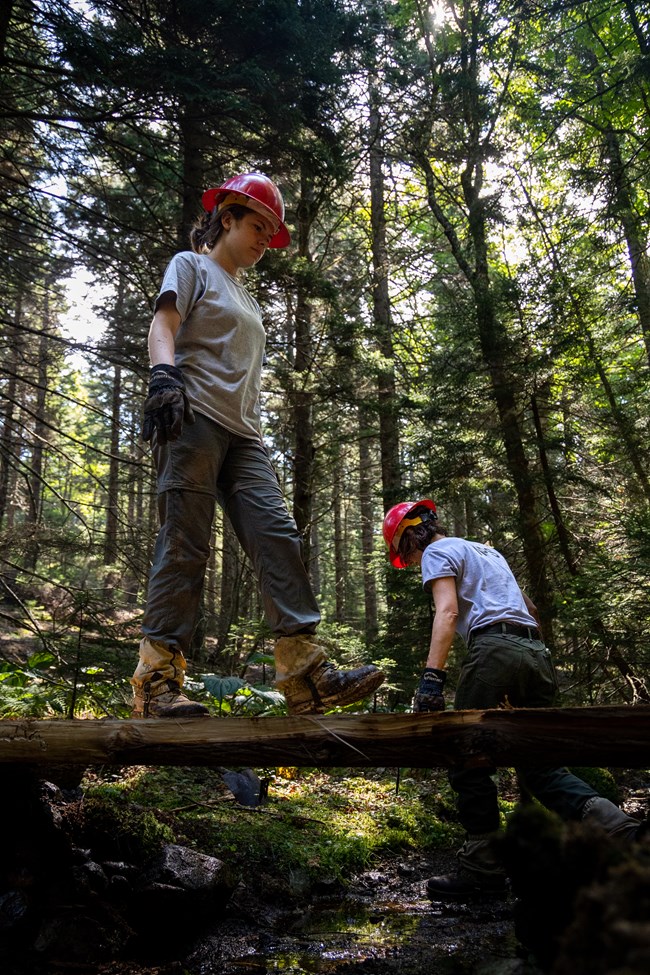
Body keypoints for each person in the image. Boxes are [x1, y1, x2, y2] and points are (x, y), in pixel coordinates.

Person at [131, 172, 384, 718]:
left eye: (273, 232)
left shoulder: (247, 296)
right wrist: (163, 378)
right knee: (186, 545)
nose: (266, 240)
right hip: (193, 418)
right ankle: (157, 682)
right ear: (227, 218)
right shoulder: (192, 265)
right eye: (258, 226)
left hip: (246, 435)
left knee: (277, 536)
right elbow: (163, 324)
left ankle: (304, 673)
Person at [383, 498, 641, 899]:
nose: (411, 561)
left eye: (405, 553)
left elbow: (448, 612)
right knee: (542, 766)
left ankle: (481, 869)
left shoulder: (436, 551)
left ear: (411, 536)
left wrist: (432, 679)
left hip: (494, 650)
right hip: (536, 652)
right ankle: (625, 834)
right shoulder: (488, 551)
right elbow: (531, 609)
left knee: (466, 755)